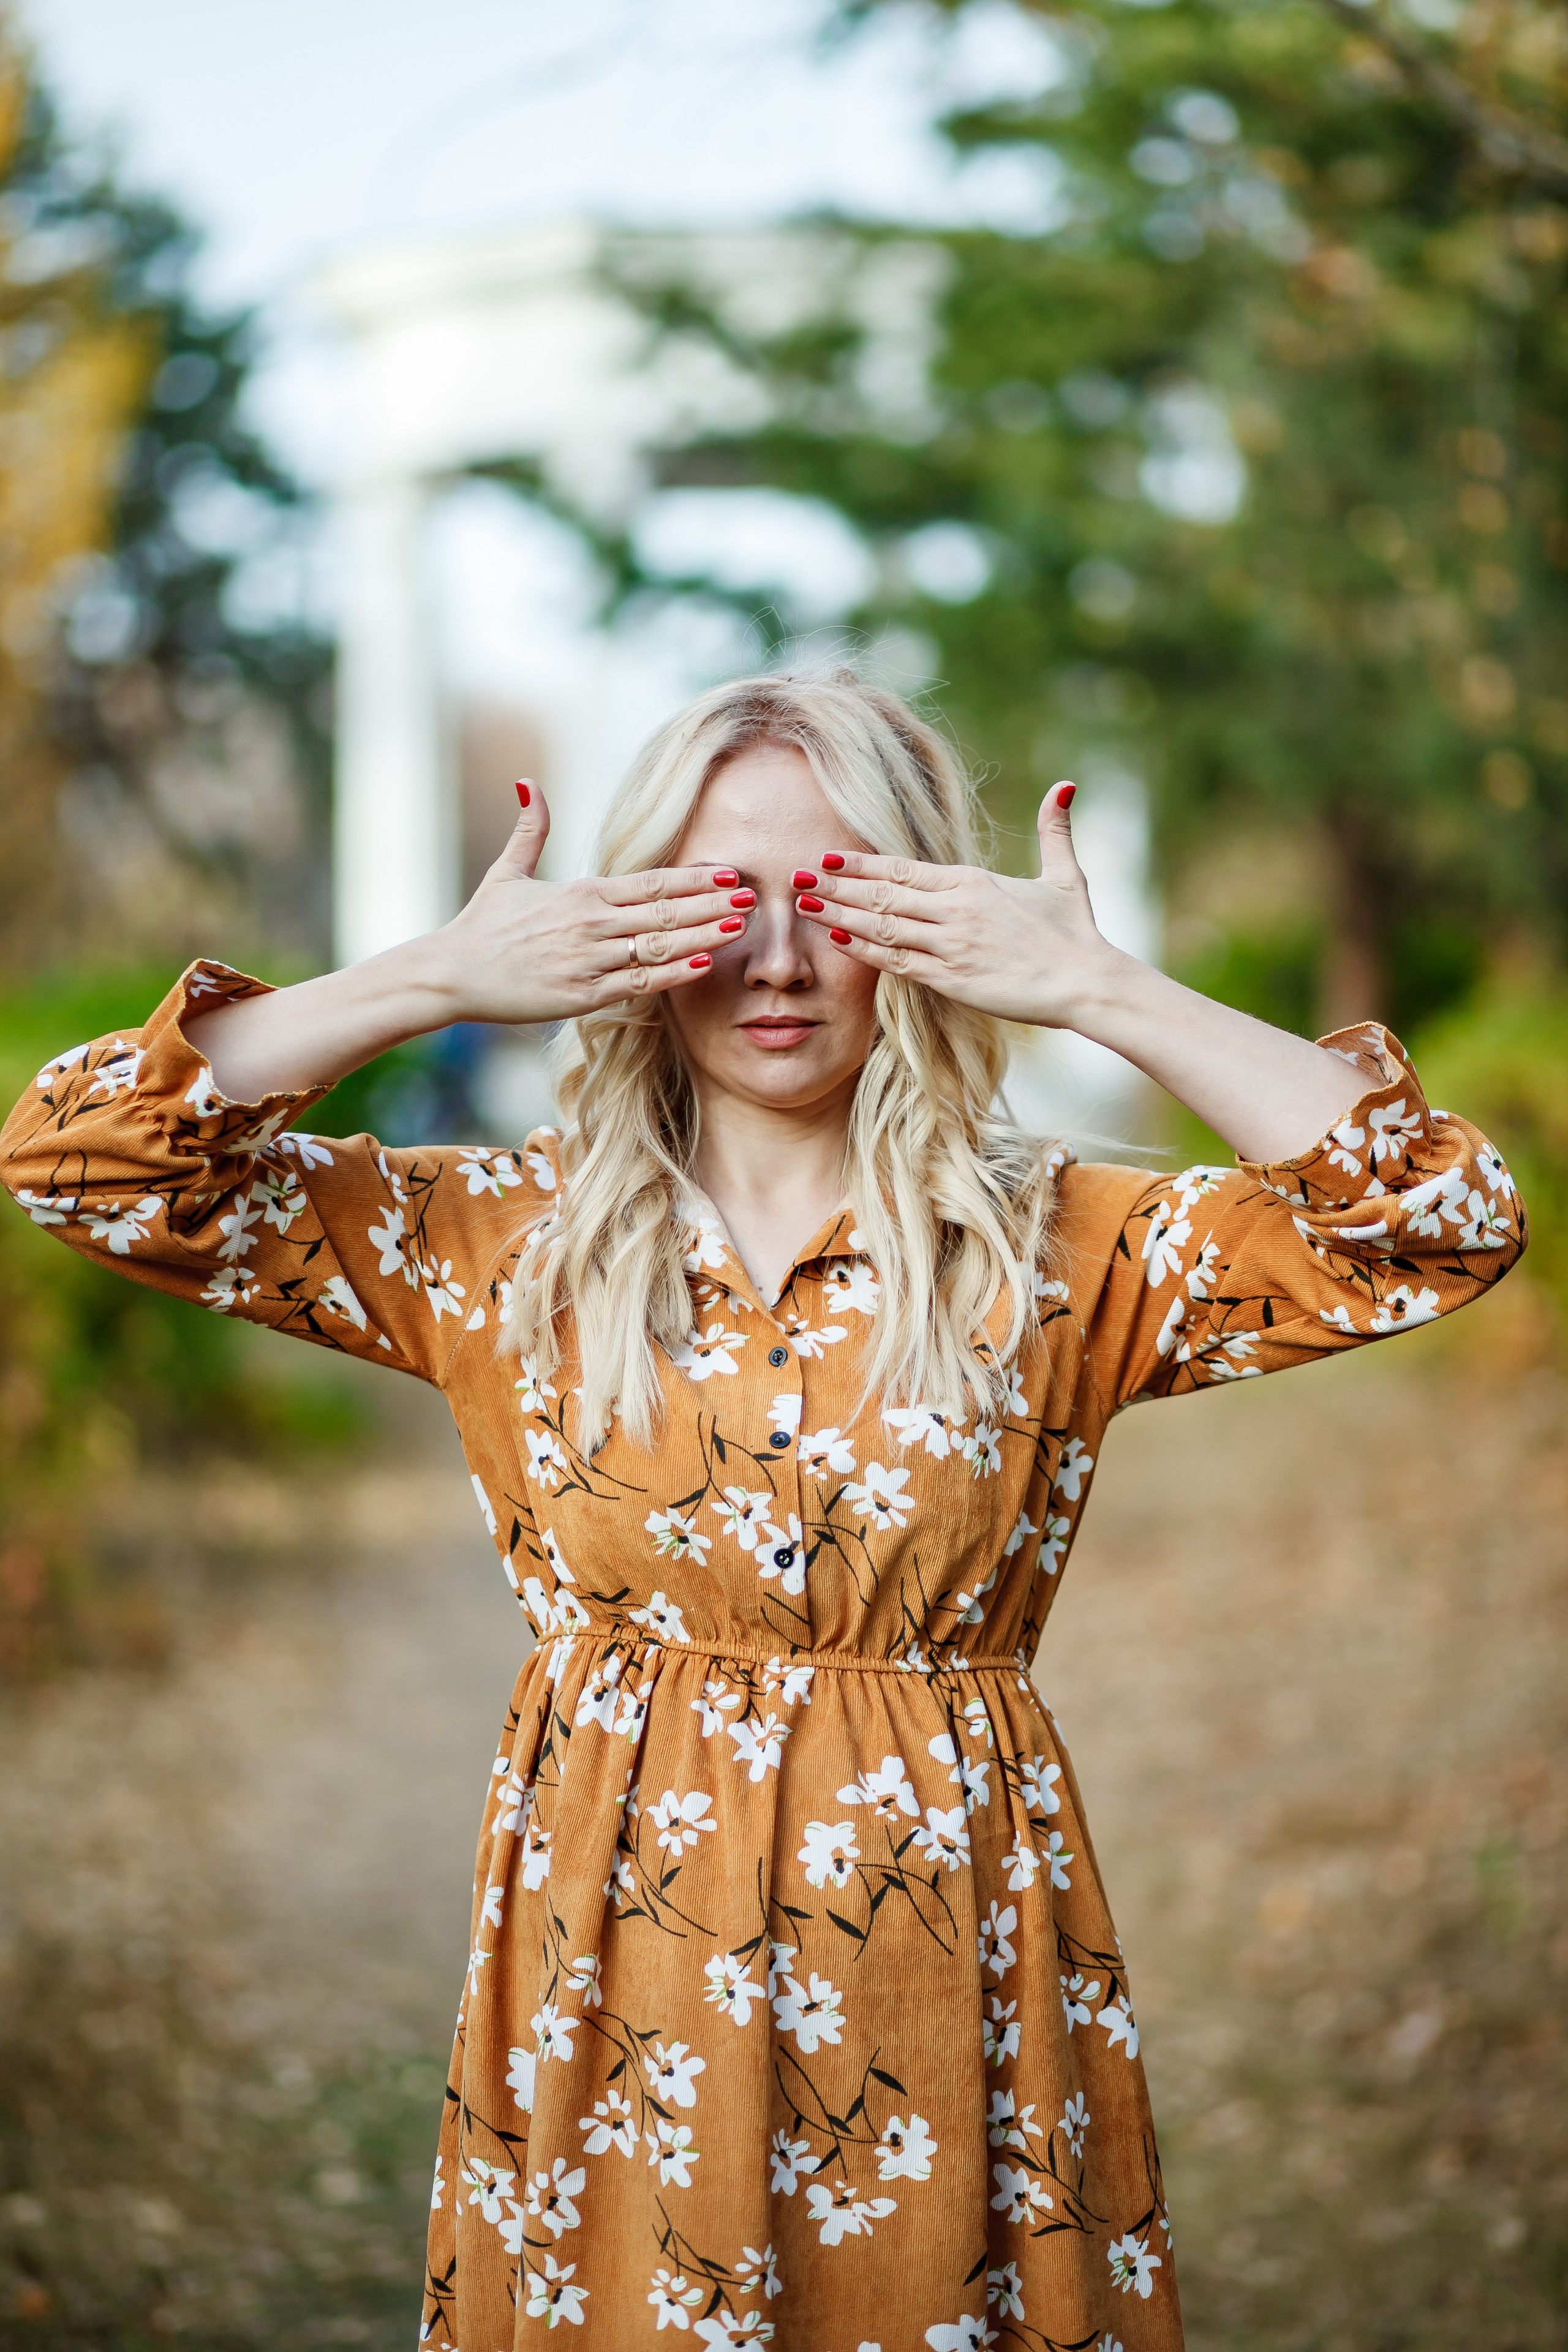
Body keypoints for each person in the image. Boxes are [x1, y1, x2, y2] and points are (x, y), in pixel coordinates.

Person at [0, 671, 1524, 2350]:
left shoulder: (1055, 1249)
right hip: (615, 1992)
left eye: (844, 900)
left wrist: (1101, 989)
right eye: (719, 901)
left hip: (944, 1992)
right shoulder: (503, 1238)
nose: (779, 961)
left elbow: (1438, 1223)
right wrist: (433, 979)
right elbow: (87, 1160)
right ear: (632, 925)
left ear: (929, 924)